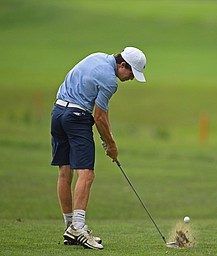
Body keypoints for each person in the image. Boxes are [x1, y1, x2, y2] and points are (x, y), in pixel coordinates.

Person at [50, 47, 147, 249]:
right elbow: (100, 118)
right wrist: (111, 145)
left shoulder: (97, 57)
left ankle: (70, 228)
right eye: (131, 73)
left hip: (58, 112)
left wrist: (108, 140)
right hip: (76, 117)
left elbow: (102, 115)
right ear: (122, 65)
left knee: (65, 171)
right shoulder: (110, 81)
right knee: (86, 173)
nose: (130, 79)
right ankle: (77, 227)